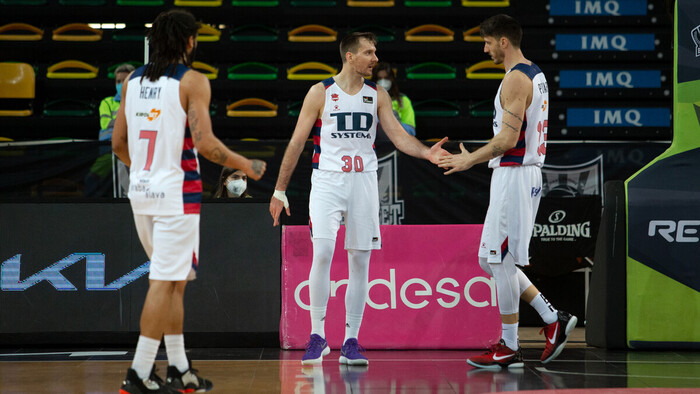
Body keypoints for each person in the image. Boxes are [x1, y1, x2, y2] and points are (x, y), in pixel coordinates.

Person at [269, 32, 448, 366]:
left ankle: (351, 340)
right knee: (322, 253)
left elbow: (398, 138)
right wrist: (279, 189)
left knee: (360, 261)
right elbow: (295, 143)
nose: (375, 58)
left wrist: (427, 153)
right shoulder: (320, 92)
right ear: (350, 57)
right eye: (368, 52)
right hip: (327, 181)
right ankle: (317, 336)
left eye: (375, 51)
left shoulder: (377, 95)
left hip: (364, 183)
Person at [112, 9, 266, 393]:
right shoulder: (193, 81)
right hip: (177, 195)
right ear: (188, 41)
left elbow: (118, 144)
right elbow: (206, 145)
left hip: (142, 193)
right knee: (164, 282)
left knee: (176, 281)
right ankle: (140, 371)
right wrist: (247, 164)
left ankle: (180, 368)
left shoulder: (131, 82)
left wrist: (148, 170)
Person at [438, 14, 577, 370]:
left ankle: (510, 346)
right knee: (491, 259)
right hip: (518, 174)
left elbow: (507, 140)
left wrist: (468, 160)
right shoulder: (535, 72)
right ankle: (551, 317)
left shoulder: (516, 79)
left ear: (503, 41)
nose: (484, 49)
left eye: (487, 42)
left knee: (500, 260)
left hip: (515, 173)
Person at [84, 63, 135, 197]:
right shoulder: (106, 102)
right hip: (108, 151)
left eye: (124, 81)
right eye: (118, 81)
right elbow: (105, 123)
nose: (120, 84)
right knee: (91, 179)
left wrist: (118, 123)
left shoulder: (140, 102)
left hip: (133, 153)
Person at [371, 62, 416, 136]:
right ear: (375, 80)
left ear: (392, 79)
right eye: (379, 78)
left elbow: (411, 131)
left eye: (386, 78)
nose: (383, 82)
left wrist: (394, 122)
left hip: (395, 144)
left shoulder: (403, 100)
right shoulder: (367, 100)